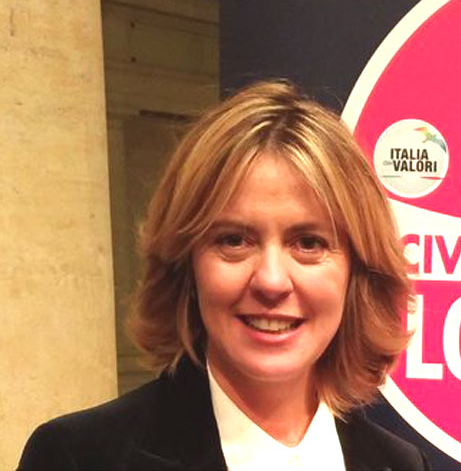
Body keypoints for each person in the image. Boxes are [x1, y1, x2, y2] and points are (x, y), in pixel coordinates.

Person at [19, 80, 430, 470]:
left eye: (309, 243)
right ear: (186, 264)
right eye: (234, 240)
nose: (271, 280)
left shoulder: (400, 463)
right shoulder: (80, 456)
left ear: (358, 271)